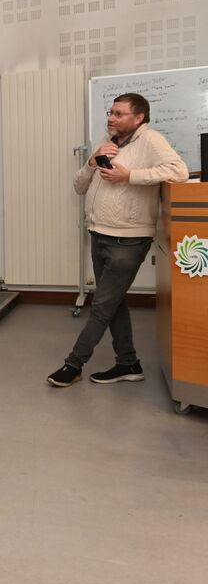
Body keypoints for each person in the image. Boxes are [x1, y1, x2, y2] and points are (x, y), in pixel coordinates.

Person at [47, 92, 189, 388]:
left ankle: (73, 365)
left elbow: (179, 171)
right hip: (99, 235)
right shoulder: (106, 142)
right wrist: (89, 164)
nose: (111, 118)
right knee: (114, 303)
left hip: (128, 240)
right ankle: (128, 363)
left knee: (102, 305)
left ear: (138, 118)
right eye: (110, 112)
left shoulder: (150, 140)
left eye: (119, 113)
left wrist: (130, 176)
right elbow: (78, 187)